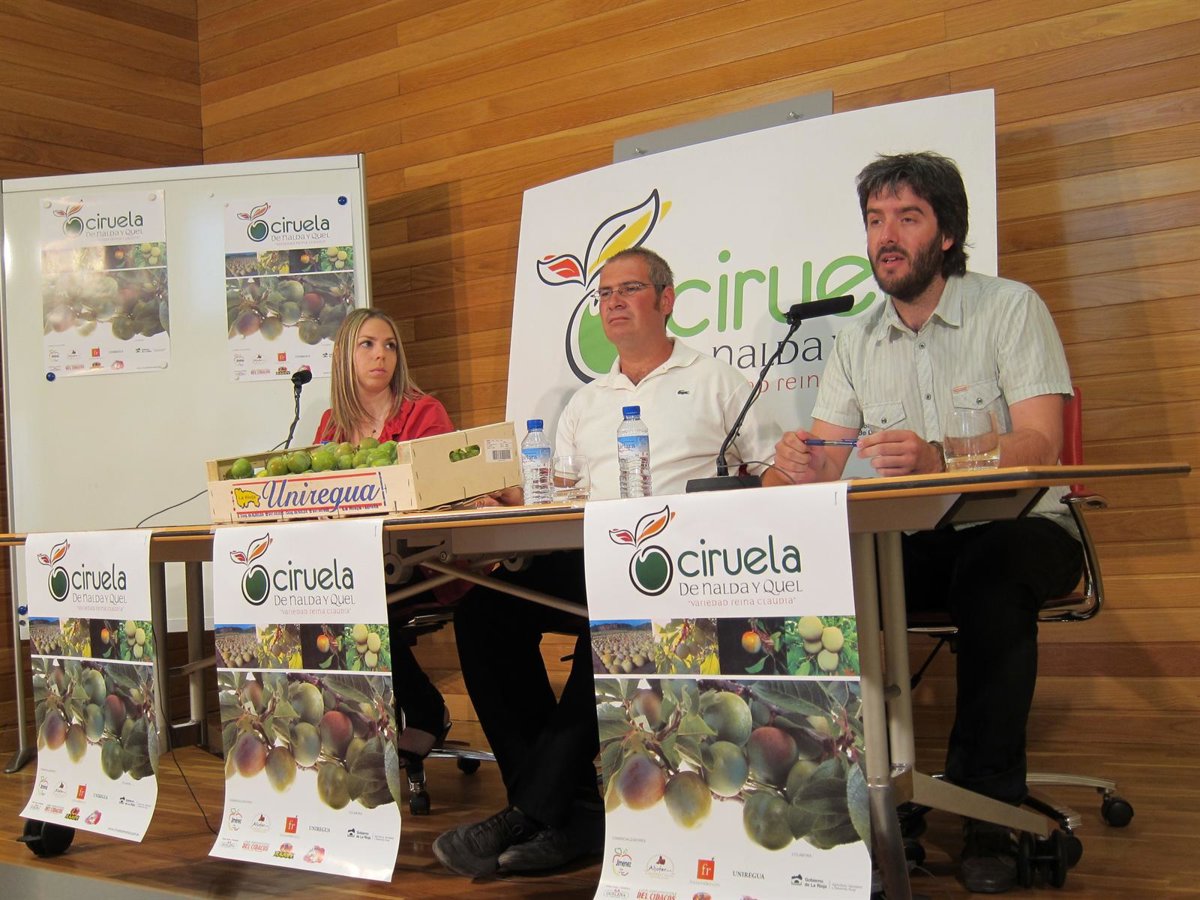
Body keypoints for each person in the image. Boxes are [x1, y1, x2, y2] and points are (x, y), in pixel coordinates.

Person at [763, 152, 1084, 894]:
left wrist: (940, 457)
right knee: (821, 579)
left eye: (907, 218)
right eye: (876, 220)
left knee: (992, 574)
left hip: (1027, 527)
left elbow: (1041, 446)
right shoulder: (856, 339)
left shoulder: (1010, 307)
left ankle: (990, 814)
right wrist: (787, 463)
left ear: (946, 234)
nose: (887, 235)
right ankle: (856, 804)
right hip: (918, 538)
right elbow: (822, 465)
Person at [433, 247, 776, 878]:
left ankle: (535, 811)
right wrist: (517, 500)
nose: (613, 302)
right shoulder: (587, 402)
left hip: (676, 566)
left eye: (629, 289)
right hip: (589, 554)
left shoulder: (718, 381)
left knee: (617, 623)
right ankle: (569, 806)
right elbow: (560, 497)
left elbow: (771, 474)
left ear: (666, 300)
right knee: (484, 612)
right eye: (604, 293)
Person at [316, 308, 455, 765]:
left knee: (351, 596)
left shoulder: (424, 413)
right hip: (357, 562)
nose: (381, 355)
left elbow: (442, 494)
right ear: (345, 356)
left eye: (390, 346)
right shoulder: (331, 425)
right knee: (325, 594)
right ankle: (353, 730)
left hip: (424, 561)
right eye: (368, 345)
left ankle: (423, 710)